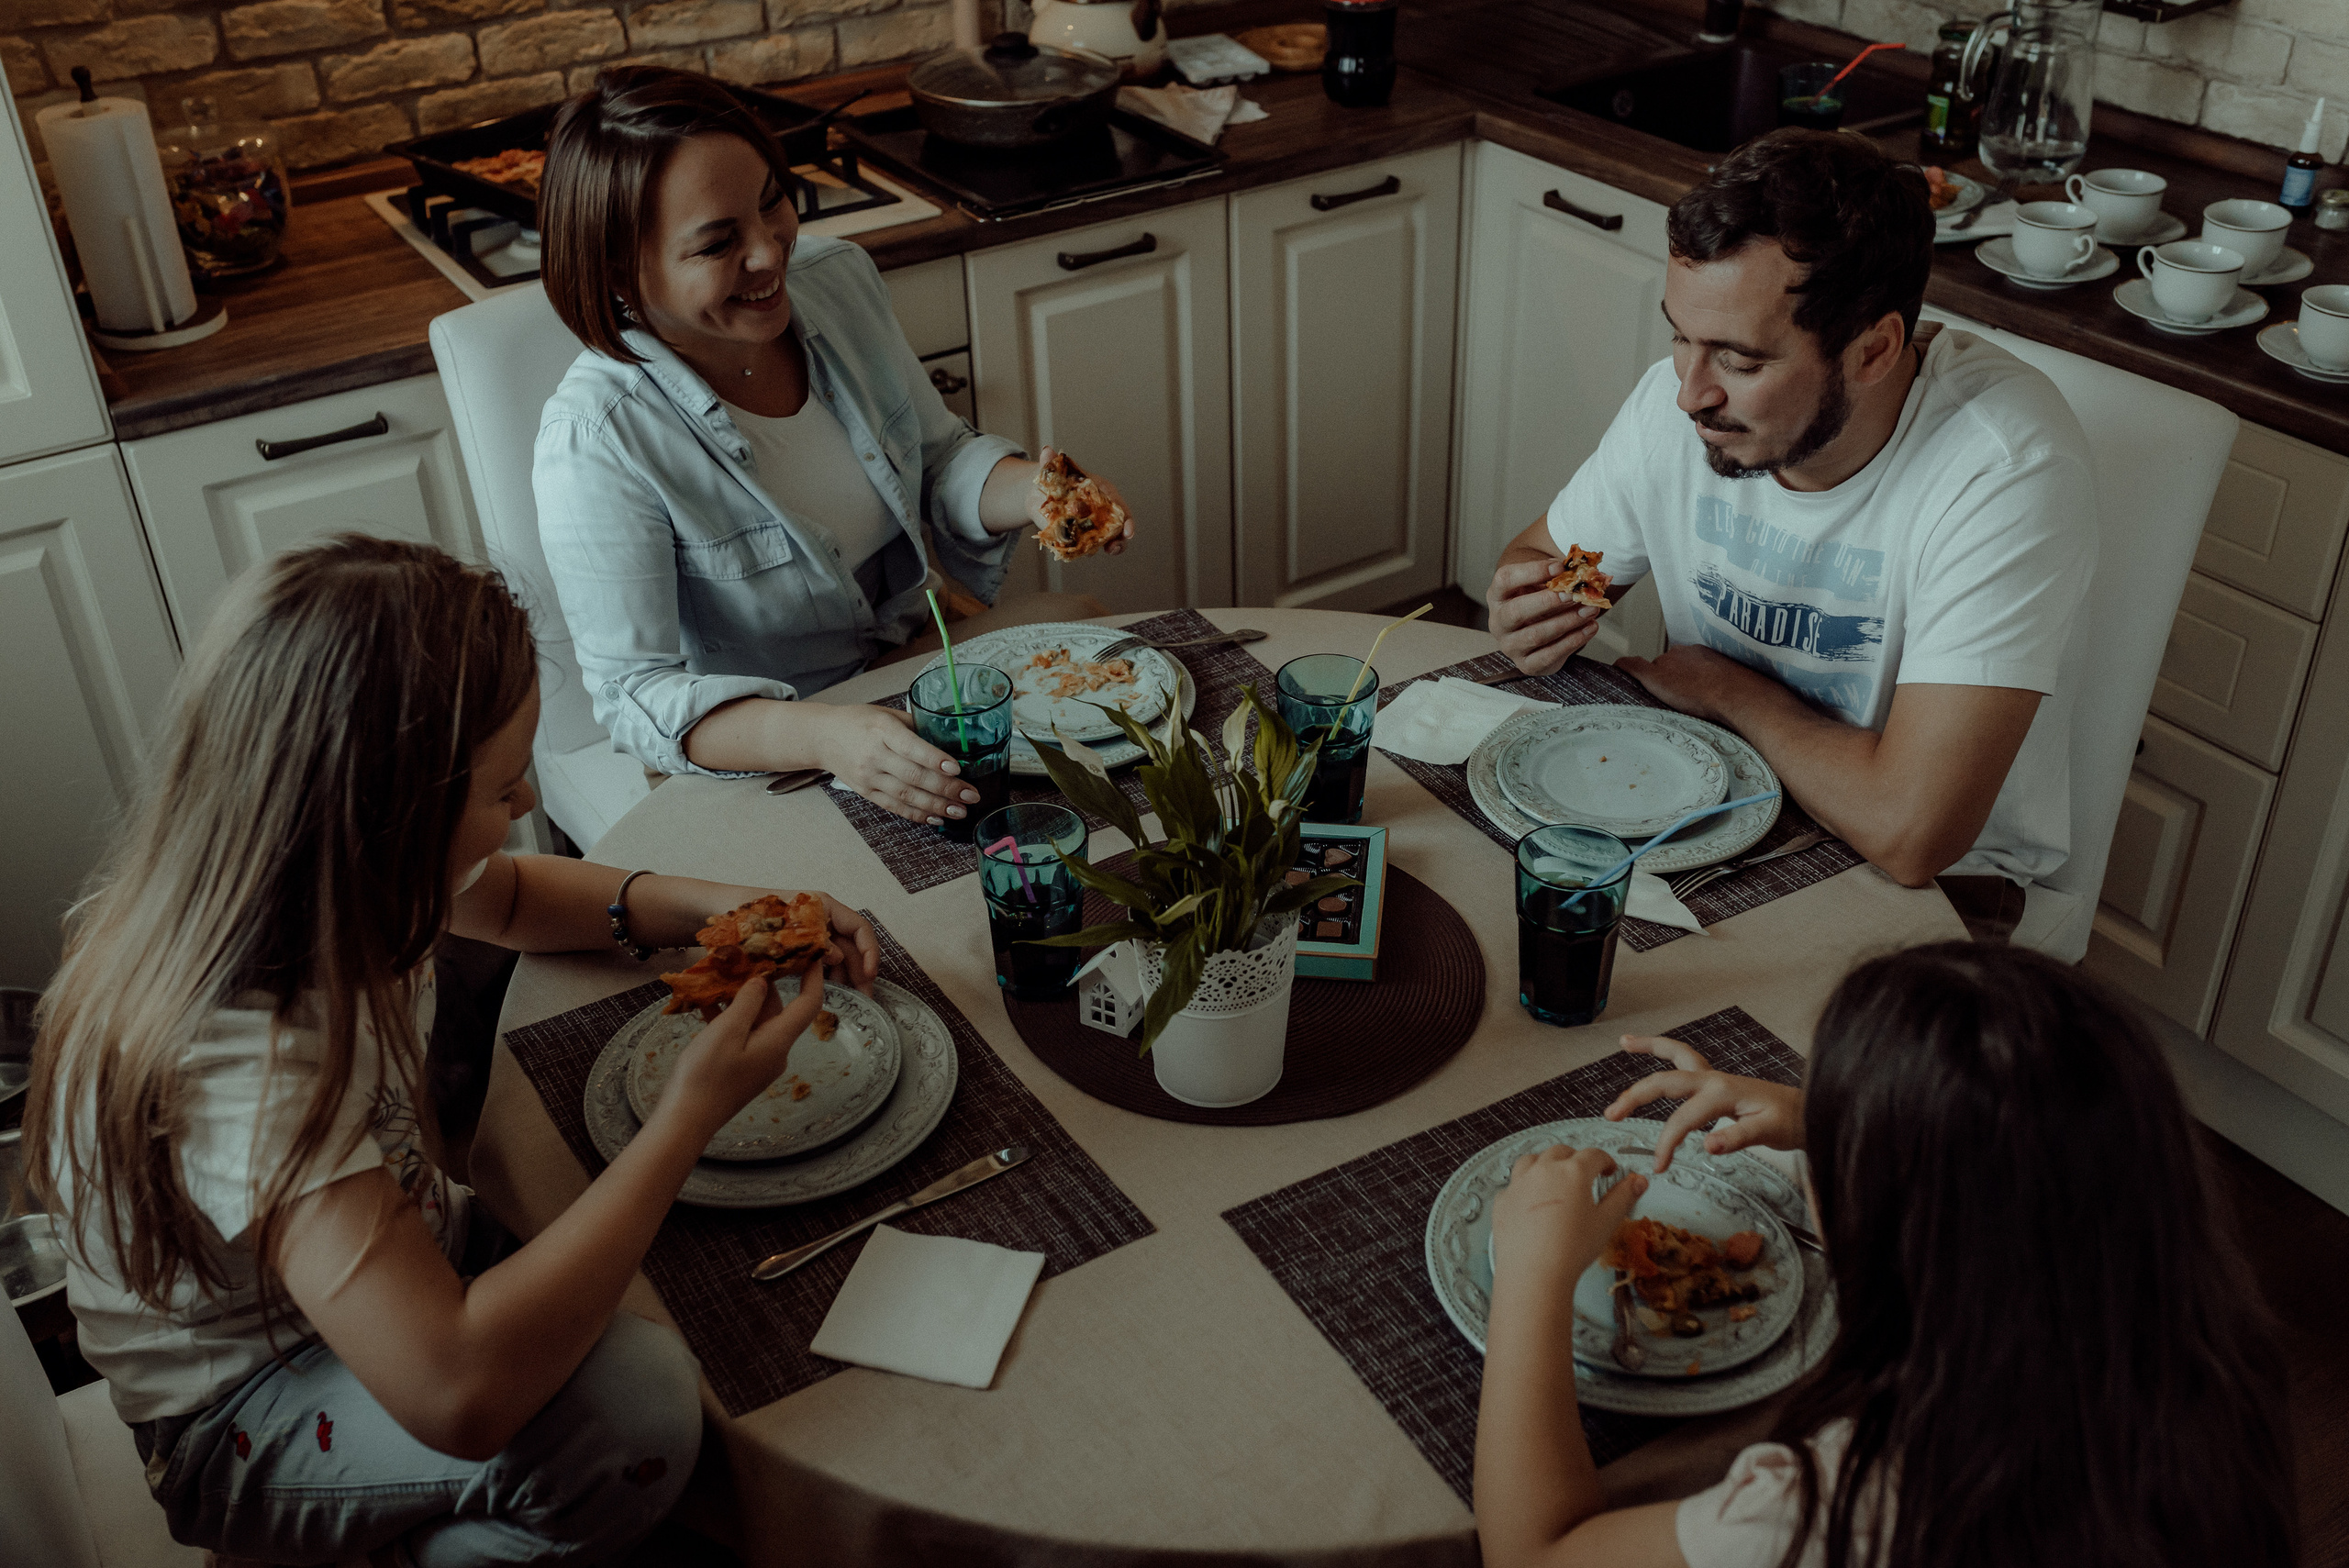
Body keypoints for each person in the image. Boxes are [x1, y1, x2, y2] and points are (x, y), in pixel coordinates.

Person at [24, 536, 881, 1565]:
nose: (527, 809)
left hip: (398, 1254)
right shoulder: (243, 1061)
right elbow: (456, 1391)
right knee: (642, 1412)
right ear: (381, 808)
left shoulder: (334, 861)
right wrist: (688, 1115)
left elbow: (514, 896)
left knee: (697, 1284)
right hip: (245, 1409)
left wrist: (724, 911)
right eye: (504, 785)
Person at [1472, 942, 2296, 1568]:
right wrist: (1847, 1118)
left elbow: (1538, 1552)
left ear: (1910, 1246)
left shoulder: (1847, 1503)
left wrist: (1534, 1272)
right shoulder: (2217, 1365)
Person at [1485, 129, 2098, 931]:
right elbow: (1554, 561)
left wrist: (1719, 684)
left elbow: (1911, 833)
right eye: (1679, 336)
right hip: (1707, 808)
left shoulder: (2005, 469)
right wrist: (1554, 603)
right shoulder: (1689, 414)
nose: (1689, 395)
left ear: (1873, 349)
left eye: (1740, 361)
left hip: (1936, 896)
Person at [533, 66, 1134, 829]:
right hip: (769, 746)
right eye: (719, 243)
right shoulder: (595, 440)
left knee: (1099, 652)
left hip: (911, 668)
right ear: (620, 271)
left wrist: (1035, 492)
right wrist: (825, 736)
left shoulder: (837, 281)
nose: (771, 252)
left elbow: (941, 459)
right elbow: (636, 696)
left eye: (771, 201)